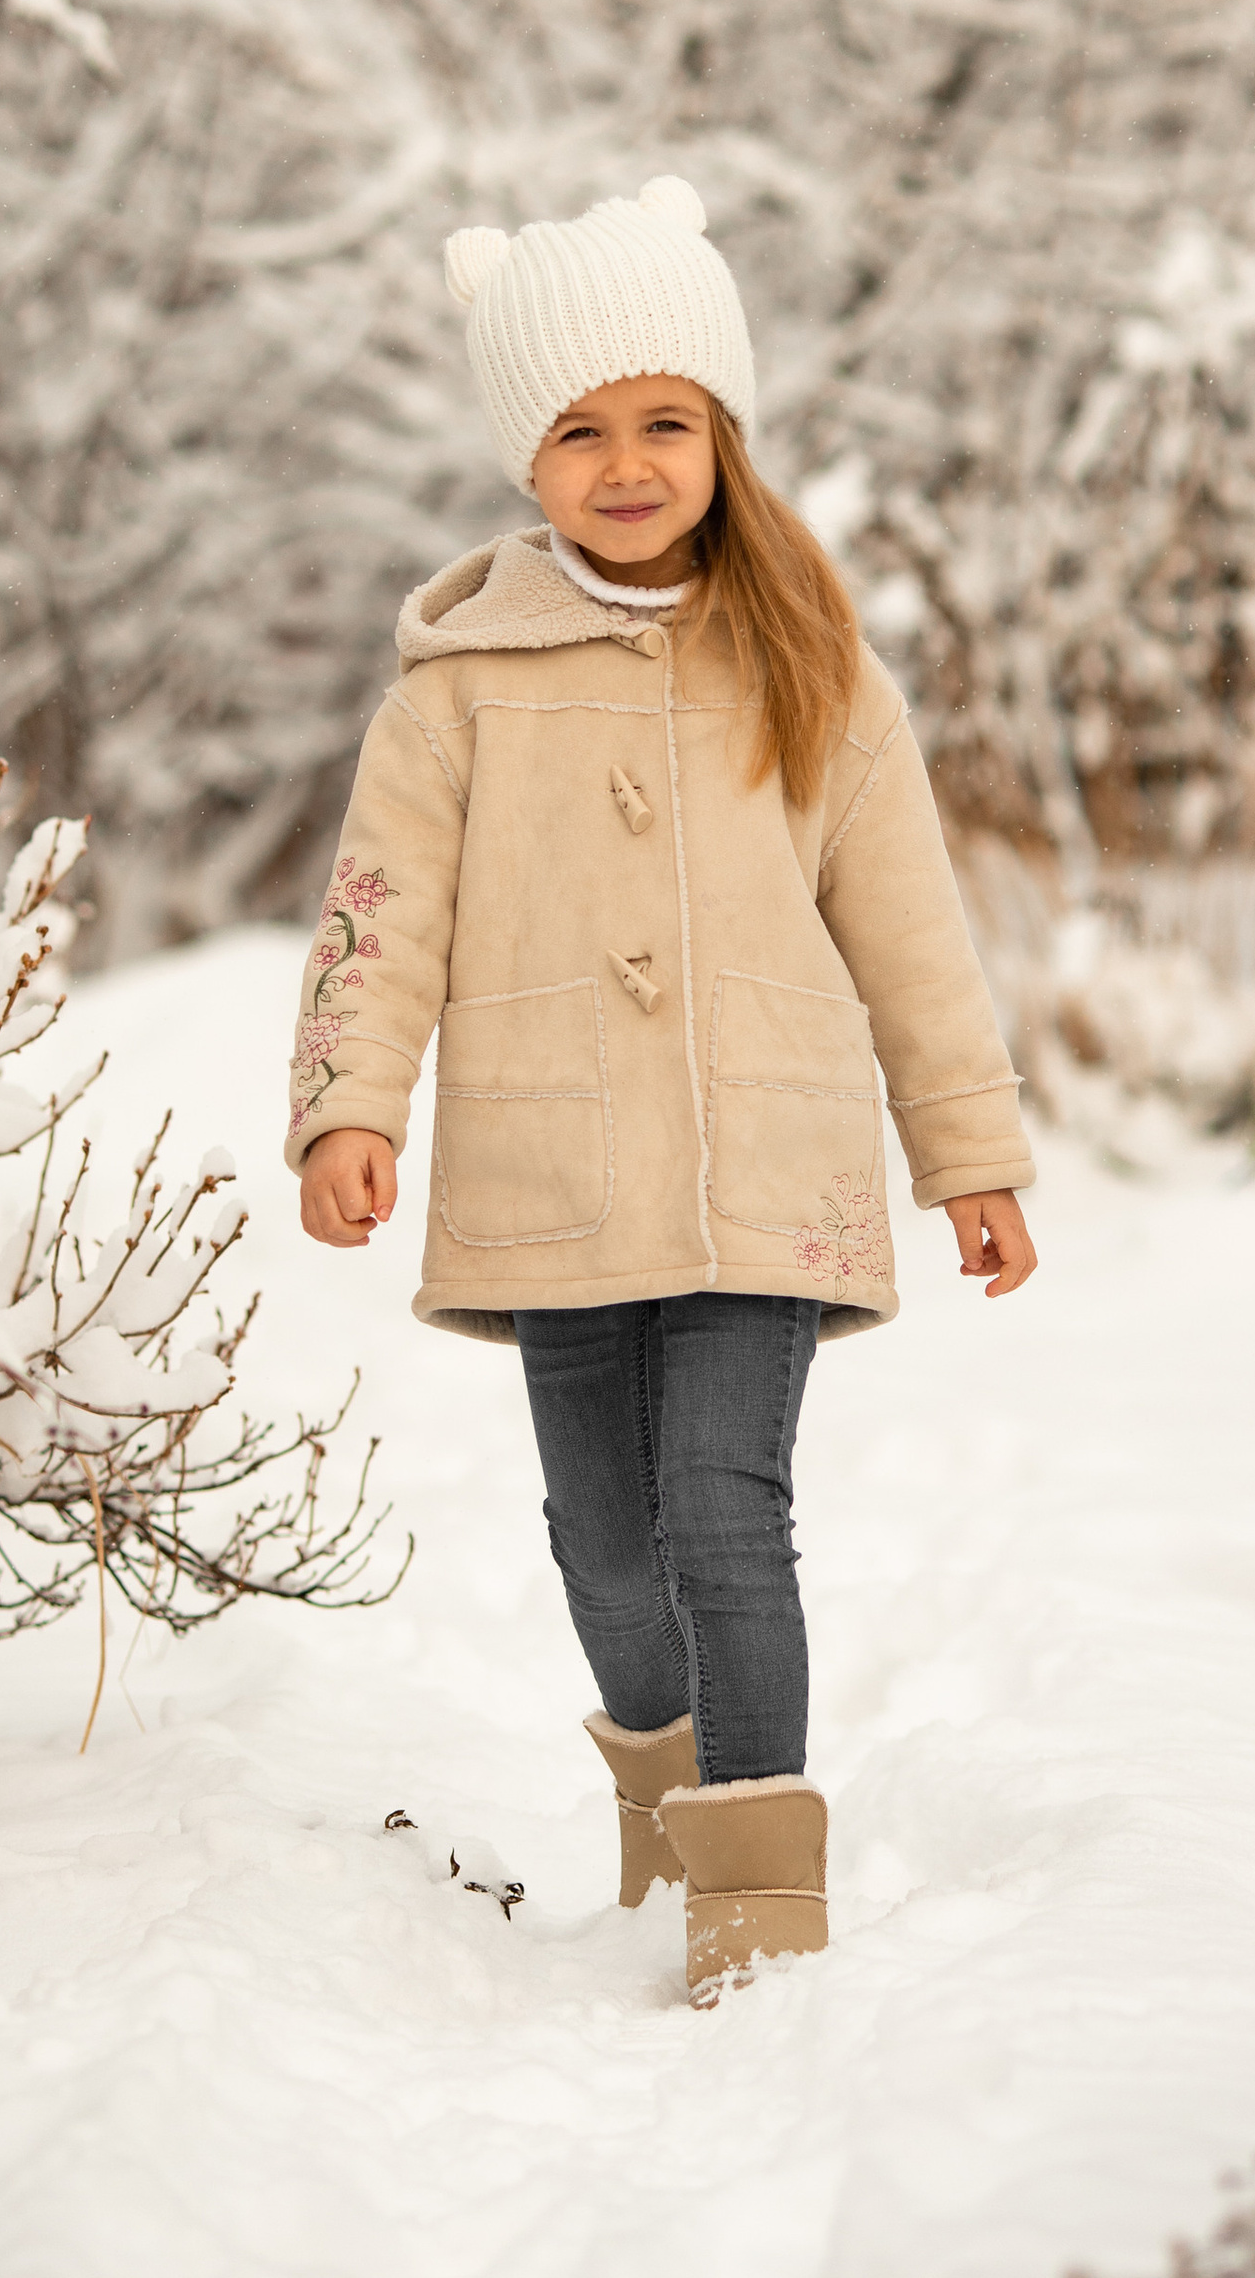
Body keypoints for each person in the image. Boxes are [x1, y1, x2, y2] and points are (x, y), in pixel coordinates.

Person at [288, 176, 1036, 2004]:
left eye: (664, 423)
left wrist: (969, 1154)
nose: (627, 465)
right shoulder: (459, 688)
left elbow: (911, 931)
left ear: (722, 433)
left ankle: (759, 1916)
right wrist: (347, 1105)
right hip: (550, 1168)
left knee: (721, 1508)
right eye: (580, 430)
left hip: (766, 1152)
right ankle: (666, 1825)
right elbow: (381, 912)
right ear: (525, 457)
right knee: (608, 1549)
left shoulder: (814, 667)